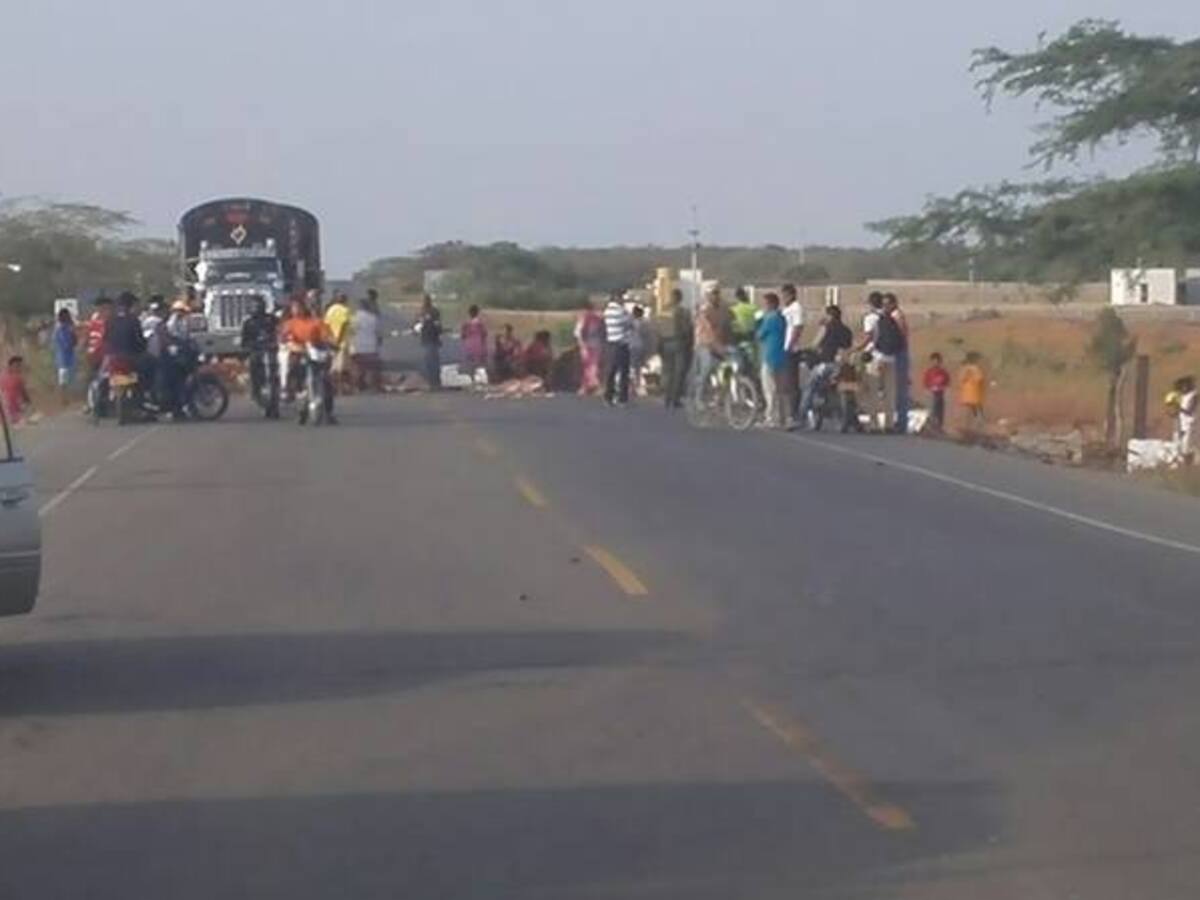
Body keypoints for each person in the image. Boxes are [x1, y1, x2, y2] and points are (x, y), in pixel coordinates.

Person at [280, 296, 337, 423]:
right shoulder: (290, 324)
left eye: (298, 307)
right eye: (294, 307)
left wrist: (332, 343)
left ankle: (329, 413)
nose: (296, 310)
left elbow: (327, 336)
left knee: (326, 381)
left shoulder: (316, 322)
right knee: (293, 370)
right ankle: (290, 392)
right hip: (299, 354)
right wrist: (291, 344)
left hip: (316, 354)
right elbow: (284, 338)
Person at [800, 305, 852, 427]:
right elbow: (848, 347)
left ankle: (801, 416)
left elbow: (814, 345)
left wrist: (806, 349)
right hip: (842, 366)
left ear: (829, 316)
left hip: (826, 365)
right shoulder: (847, 330)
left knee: (809, 386)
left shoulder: (826, 328)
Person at [854, 292, 894, 432]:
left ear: (870, 303)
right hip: (890, 357)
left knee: (873, 391)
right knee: (889, 392)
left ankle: (874, 424)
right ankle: (889, 424)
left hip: (875, 357)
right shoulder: (889, 316)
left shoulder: (870, 318)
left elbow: (869, 337)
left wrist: (856, 349)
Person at [755, 292, 788, 428]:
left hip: (769, 355)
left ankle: (770, 418)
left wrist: (758, 322)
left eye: (766, 304)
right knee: (780, 389)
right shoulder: (782, 318)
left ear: (772, 304)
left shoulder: (769, 318)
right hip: (781, 356)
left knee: (769, 389)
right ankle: (782, 417)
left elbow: (759, 335)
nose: (765, 307)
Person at [692, 288, 730, 407]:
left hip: (720, 343)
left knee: (726, 371)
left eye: (716, 294)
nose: (715, 297)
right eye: (712, 294)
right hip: (704, 344)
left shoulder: (724, 310)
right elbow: (705, 331)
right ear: (708, 296)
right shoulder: (704, 311)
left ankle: (720, 397)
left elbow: (727, 327)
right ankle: (698, 398)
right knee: (706, 368)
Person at [241, 296, 280, 404]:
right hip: (257, 351)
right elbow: (244, 342)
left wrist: (275, 341)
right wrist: (251, 346)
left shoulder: (272, 319)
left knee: (278, 366)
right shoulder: (249, 323)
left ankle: (281, 389)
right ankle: (255, 390)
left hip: (271, 350)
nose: (257, 308)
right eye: (255, 305)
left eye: (259, 305)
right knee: (253, 363)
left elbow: (280, 332)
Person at [659, 288, 693, 410]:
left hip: (665, 344)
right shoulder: (683, 312)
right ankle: (675, 399)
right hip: (679, 343)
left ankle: (667, 398)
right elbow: (687, 329)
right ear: (680, 298)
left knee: (668, 371)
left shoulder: (663, 310)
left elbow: (659, 329)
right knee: (679, 372)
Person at [883, 293, 911, 433]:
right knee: (896, 389)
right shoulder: (891, 317)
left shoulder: (896, 316)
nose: (885, 307)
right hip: (896, 353)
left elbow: (902, 335)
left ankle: (902, 422)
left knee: (901, 389)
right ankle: (899, 421)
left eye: (888, 303)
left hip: (900, 353)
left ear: (894, 303)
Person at [602, 292, 633, 405]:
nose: (623, 300)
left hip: (611, 342)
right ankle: (622, 398)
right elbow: (630, 323)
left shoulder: (607, 311)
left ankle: (608, 396)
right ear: (617, 298)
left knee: (611, 371)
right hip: (621, 343)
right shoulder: (621, 311)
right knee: (624, 371)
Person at [781, 283, 805, 422]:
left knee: (792, 382)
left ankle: (794, 414)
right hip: (785, 347)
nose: (783, 298)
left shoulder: (796, 308)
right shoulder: (787, 309)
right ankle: (789, 412)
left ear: (791, 294)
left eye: (785, 295)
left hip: (792, 349)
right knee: (787, 382)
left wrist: (790, 344)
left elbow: (798, 327)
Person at [573, 300, 605, 395]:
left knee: (589, 366)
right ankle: (589, 385)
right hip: (596, 345)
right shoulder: (597, 319)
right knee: (591, 365)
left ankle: (590, 385)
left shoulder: (584, 319)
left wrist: (582, 345)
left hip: (588, 345)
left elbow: (578, 334)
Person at [351, 298, 383, 392]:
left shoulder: (354, 318)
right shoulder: (373, 318)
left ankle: (359, 384)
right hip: (371, 347)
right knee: (373, 367)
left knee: (358, 367)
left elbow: (351, 332)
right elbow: (378, 334)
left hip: (358, 347)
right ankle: (374, 385)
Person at [323, 292, 353, 392]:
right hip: (342, 342)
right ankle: (338, 387)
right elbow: (343, 326)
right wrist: (338, 340)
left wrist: (330, 338)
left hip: (331, 341)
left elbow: (326, 325)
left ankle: (333, 387)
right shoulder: (345, 310)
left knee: (333, 365)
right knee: (341, 367)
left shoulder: (330, 310)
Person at [415, 294, 443, 389]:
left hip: (428, 339)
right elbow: (438, 325)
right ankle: (435, 382)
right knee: (433, 361)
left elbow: (416, 326)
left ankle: (432, 382)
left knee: (430, 361)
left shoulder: (422, 312)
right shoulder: (432, 311)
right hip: (431, 339)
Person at [51, 307, 78, 404]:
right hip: (64, 358)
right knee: (64, 381)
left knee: (65, 380)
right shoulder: (61, 329)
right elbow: (68, 344)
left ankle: (66, 398)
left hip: (66, 358)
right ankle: (64, 399)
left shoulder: (62, 329)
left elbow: (74, 342)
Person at [628, 305, 655, 397]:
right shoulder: (645, 323)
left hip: (630, 347)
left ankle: (631, 386)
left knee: (631, 367)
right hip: (639, 347)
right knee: (637, 368)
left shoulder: (629, 323)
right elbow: (648, 337)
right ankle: (636, 385)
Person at [460, 304, 489, 384]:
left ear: (469, 313)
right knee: (479, 364)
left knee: (470, 364)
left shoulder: (466, 324)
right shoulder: (480, 323)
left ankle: (472, 380)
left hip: (469, 345)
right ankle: (479, 381)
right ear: (477, 312)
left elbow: (462, 336)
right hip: (478, 345)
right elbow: (484, 334)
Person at [923, 352, 951, 432]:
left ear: (940, 362)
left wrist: (945, 388)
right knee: (932, 408)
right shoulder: (929, 372)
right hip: (932, 393)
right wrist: (928, 389)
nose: (935, 363)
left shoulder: (943, 372)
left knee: (940, 409)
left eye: (937, 361)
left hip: (940, 393)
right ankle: (932, 425)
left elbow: (947, 382)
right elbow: (926, 382)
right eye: (933, 361)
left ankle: (939, 425)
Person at [958, 351, 986, 430]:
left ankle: (973, 423)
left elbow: (961, 378)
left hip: (971, 391)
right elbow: (979, 378)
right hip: (972, 391)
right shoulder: (974, 368)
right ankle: (973, 424)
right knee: (974, 408)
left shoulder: (967, 368)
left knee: (973, 407)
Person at [836, 351, 863, 433]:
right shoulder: (852, 365)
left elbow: (838, 375)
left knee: (846, 404)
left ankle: (847, 424)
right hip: (851, 384)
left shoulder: (845, 365)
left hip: (846, 384)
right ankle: (855, 423)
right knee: (851, 404)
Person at [0, 356, 33, 424]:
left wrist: (29, 405)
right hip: (7, 413)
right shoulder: (3, 377)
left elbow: (25, 395)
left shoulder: (19, 379)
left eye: (20, 366)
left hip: (15, 413)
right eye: (17, 366)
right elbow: (25, 395)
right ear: (10, 366)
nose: (19, 368)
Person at [1176, 376, 1197, 465]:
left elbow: (1190, 411)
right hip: (1182, 425)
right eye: (1182, 386)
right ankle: (1185, 466)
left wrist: (1178, 408)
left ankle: (1189, 466)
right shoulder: (1183, 396)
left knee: (1188, 448)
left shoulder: (1194, 395)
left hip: (1191, 425)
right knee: (1182, 448)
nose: (1183, 388)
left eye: (1185, 385)